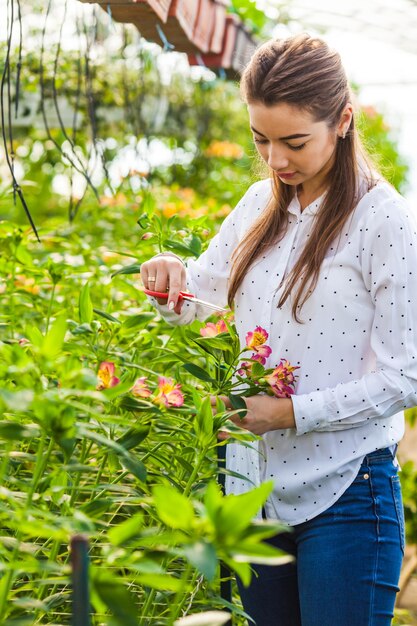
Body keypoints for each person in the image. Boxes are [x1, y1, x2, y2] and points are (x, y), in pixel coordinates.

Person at [140, 33, 417, 626]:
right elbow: (201, 298)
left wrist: (289, 414)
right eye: (261, 140)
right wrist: (170, 278)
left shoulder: (383, 220)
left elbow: (406, 377)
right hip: (252, 489)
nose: (275, 160)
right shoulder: (257, 207)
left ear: (342, 120)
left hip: (344, 489)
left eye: (294, 142)